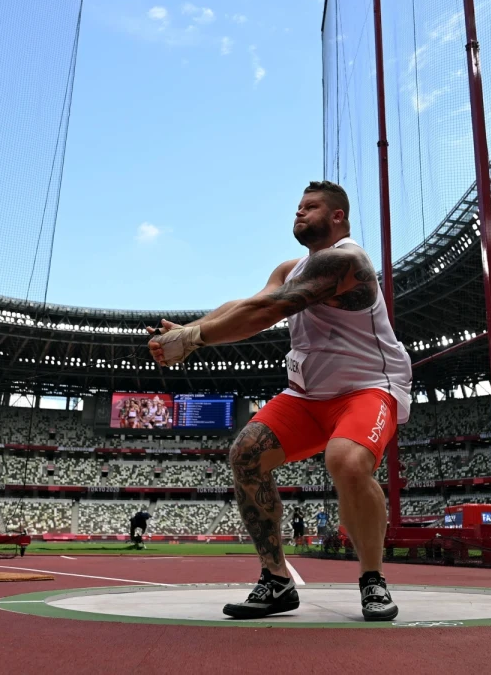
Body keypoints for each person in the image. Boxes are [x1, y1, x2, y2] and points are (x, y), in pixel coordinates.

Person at [148, 181, 412, 621]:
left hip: (367, 387)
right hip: (307, 395)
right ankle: (276, 580)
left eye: (310, 207)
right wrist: (189, 329)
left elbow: (266, 314)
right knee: (245, 454)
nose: (299, 213)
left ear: (338, 217)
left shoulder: (348, 261)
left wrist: (192, 339)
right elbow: (250, 301)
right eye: (297, 207)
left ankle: (372, 580)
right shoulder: (291, 267)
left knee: (346, 462)